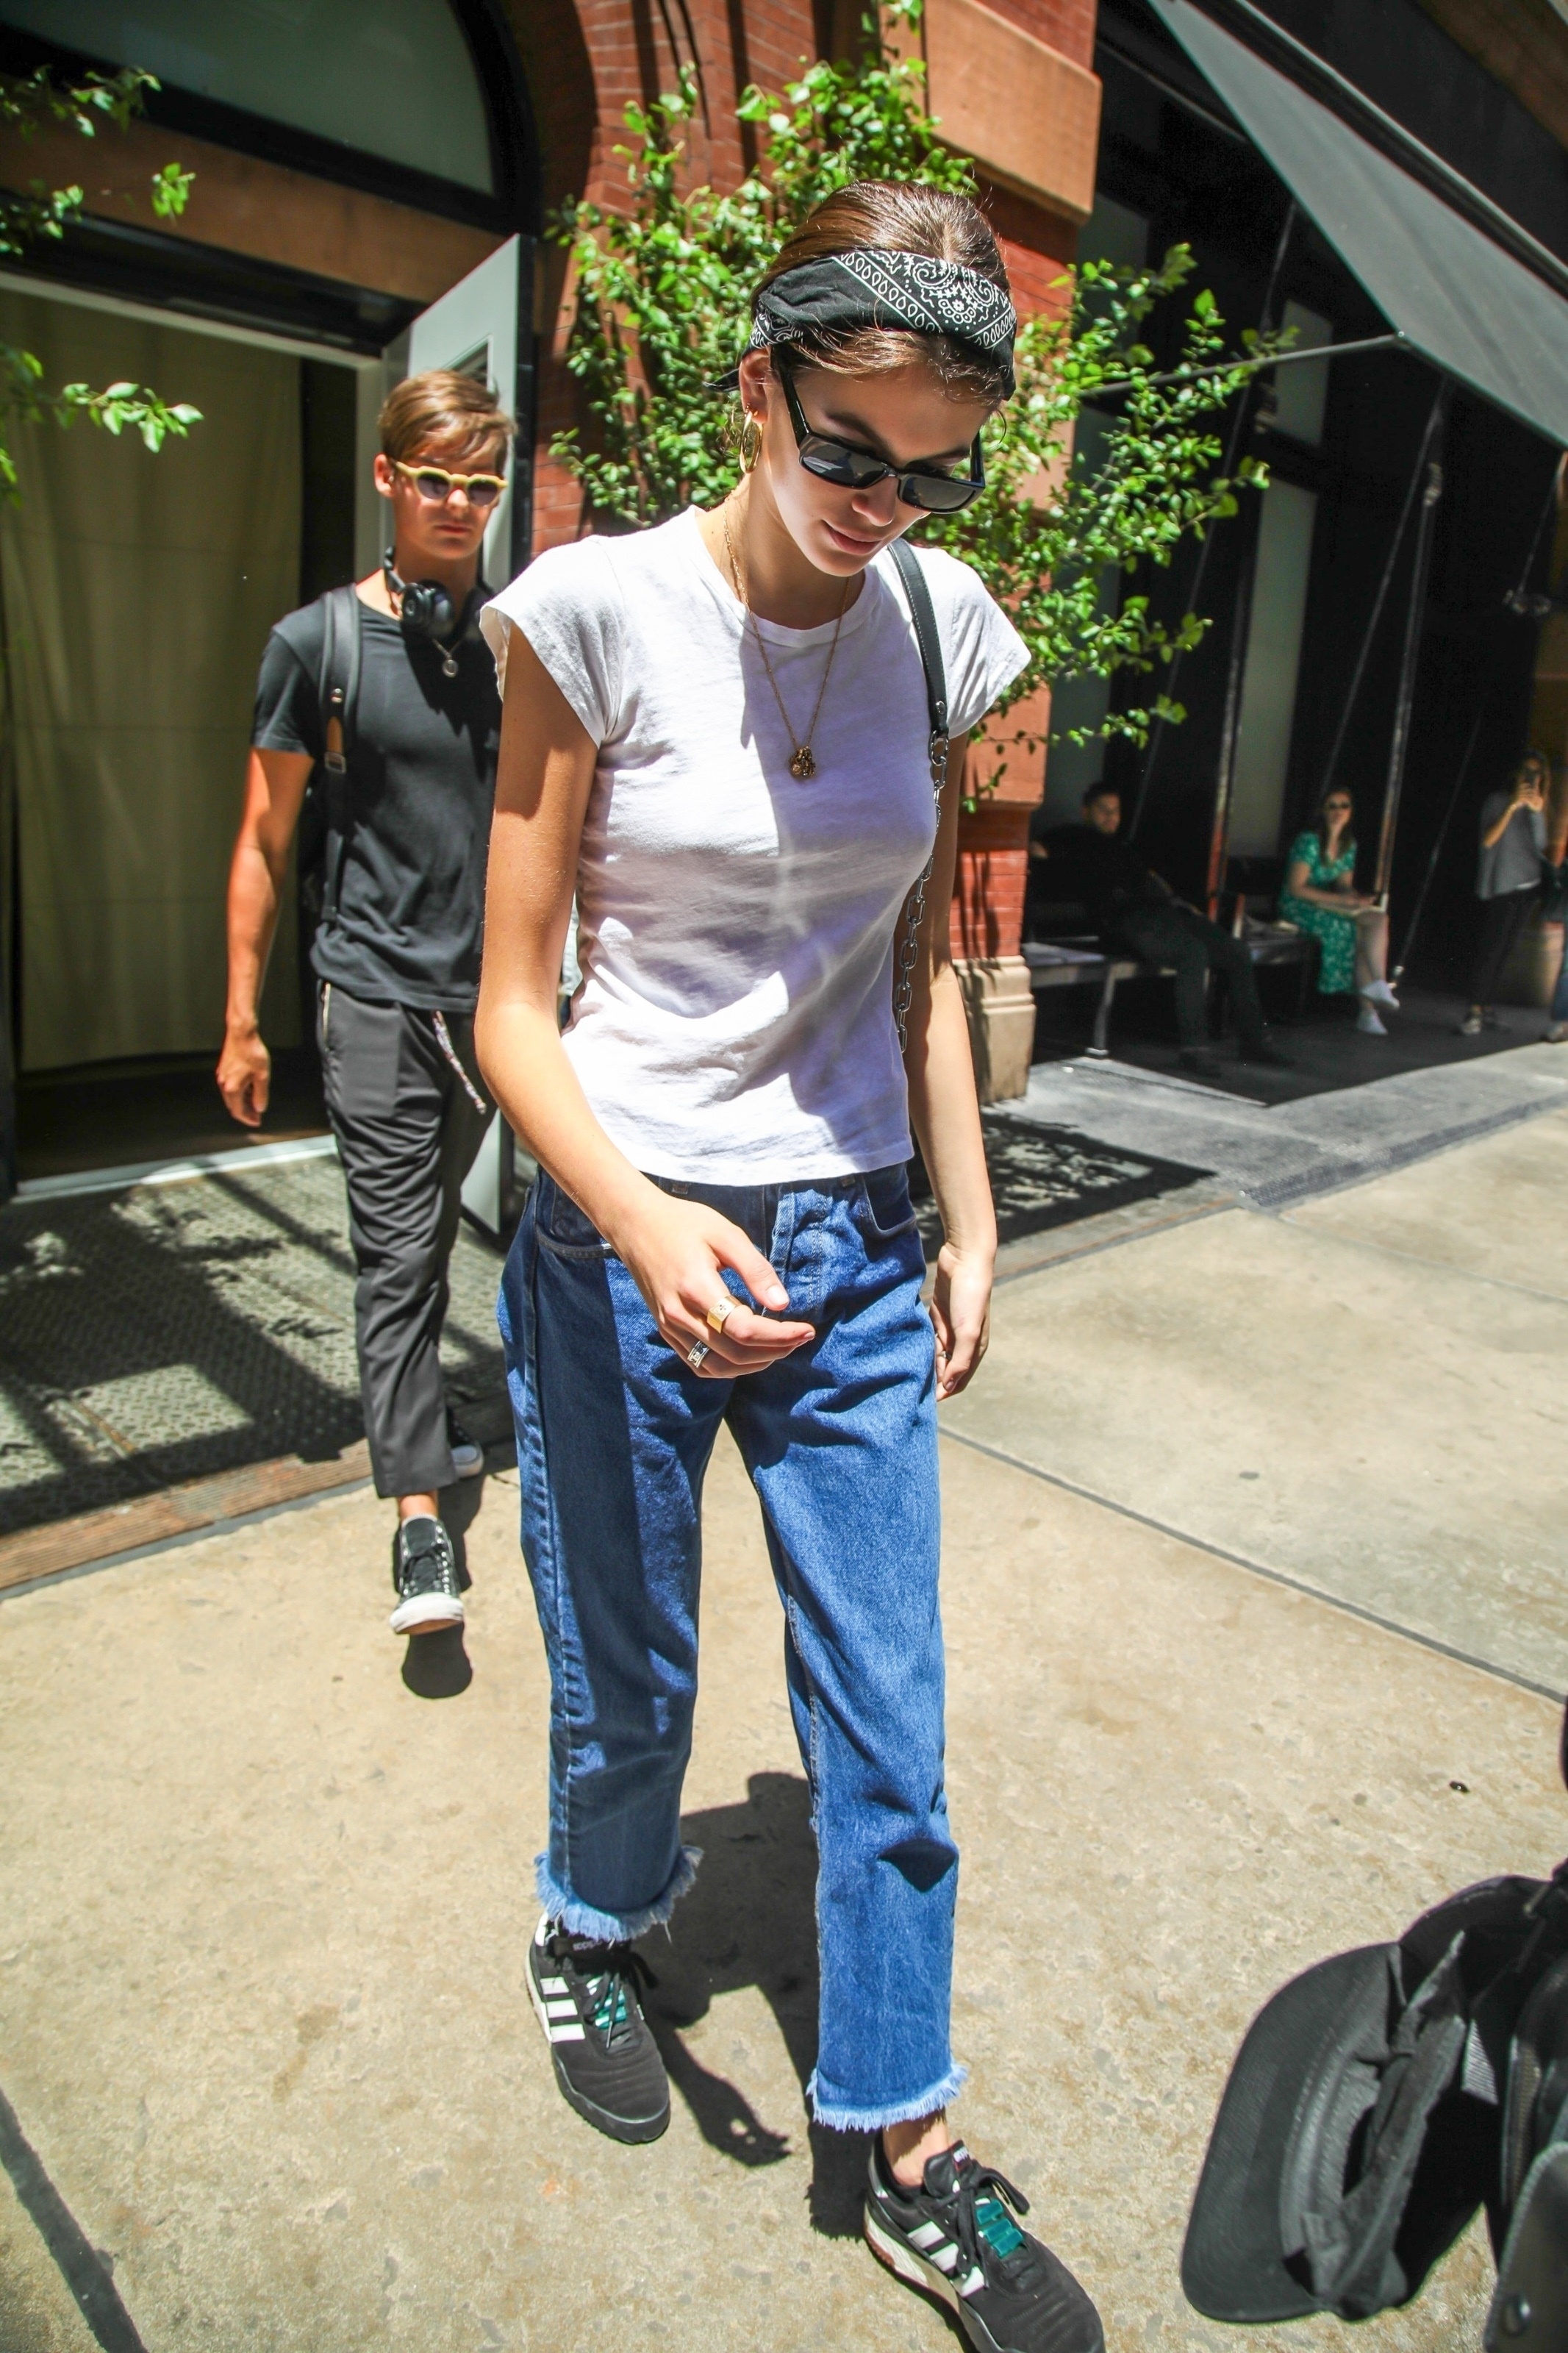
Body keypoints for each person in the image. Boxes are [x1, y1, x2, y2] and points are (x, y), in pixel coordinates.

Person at [474, 182, 1105, 2353]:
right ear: (758, 392)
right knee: (634, 1671)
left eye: (928, 469)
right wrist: (643, 1226)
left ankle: (908, 2141)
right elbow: (508, 1007)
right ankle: (595, 1914)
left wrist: (974, 1208)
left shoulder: (937, 619)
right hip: (616, 1228)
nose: (882, 503)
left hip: (843, 1239)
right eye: (847, 446)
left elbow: (922, 950)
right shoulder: (594, 613)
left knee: (889, 1726)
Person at [218, 370, 512, 1639]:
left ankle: (434, 1416)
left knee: (442, 1238)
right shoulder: (317, 644)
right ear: (388, 477)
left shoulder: (521, 641)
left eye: (479, 484)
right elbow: (260, 840)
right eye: (434, 478)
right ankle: (417, 1523)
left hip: (502, 1012)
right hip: (378, 999)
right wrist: (240, 1016)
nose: (457, 503)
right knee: (398, 1260)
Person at [1031, 782, 1289, 1077]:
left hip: (1165, 913)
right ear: (1086, 811)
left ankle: (1255, 1041)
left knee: (1237, 951)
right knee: (1192, 953)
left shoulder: (1123, 845)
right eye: (1103, 810)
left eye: (1116, 811)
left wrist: (1178, 902)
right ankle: (1195, 1049)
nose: (1111, 817)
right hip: (1127, 919)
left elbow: (1151, 879)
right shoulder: (1073, 836)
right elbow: (1036, 849)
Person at [1277, 790, 1399, 1035]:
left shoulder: (1347, 844)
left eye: (1344, 806)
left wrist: (1355, 898)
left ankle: (1378, 984)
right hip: (1299, 905)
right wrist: (1340, 900)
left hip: (1327, 901)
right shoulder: (1309, 841)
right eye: (1332, 806)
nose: (1338, 811)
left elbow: (1343, 883)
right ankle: (1368, 1009)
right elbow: (1297, 888)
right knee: (1352, 929)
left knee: (1377, 918)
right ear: (1323, 811)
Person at [1461, 751, 1548, 1035]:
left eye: (1536, 775)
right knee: (1492, 948)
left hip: (1528, 883)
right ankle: (1474, 1010)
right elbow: (1487, 840)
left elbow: (1541, 844)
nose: (1530, 779)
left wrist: (1536, 812)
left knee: (1506, 951)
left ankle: (1486, 1009)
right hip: (1502, 884)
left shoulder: (1538, 807)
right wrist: (1512, 807)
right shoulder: (1497, 801)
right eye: (1526, 772)